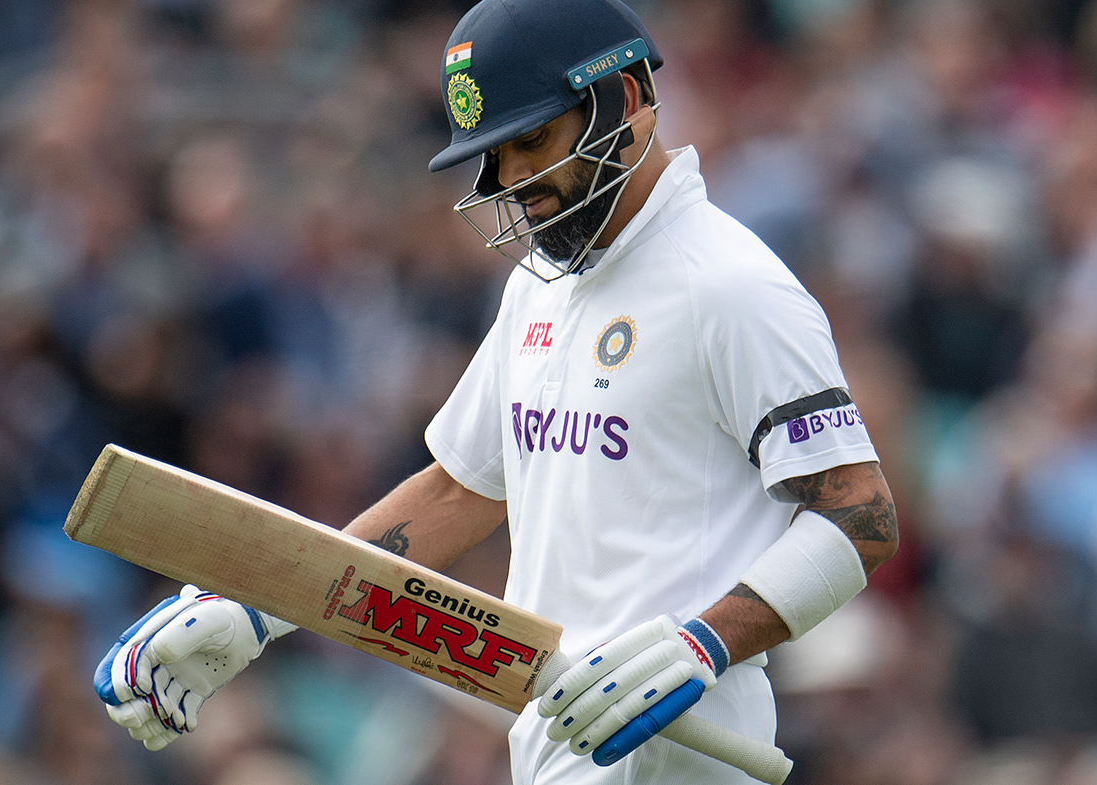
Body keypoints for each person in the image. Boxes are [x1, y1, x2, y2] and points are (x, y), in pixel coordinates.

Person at [93, 1, 899, 783]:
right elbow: (456, 492)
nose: (514, 181)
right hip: (553, 746)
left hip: (685, 756)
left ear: (626, 99)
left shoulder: (729, 285)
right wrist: (261, 608)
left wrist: (701, 646)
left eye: (533, 140)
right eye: (496, 155)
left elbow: (860, 514)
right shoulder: (541, 286)